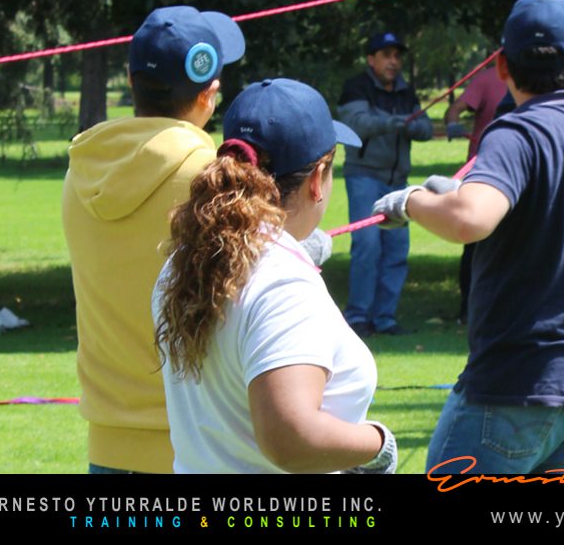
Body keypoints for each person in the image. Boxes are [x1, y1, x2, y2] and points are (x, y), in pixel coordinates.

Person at [374, 0, 564, 474]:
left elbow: (470, 219)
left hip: (517, 386)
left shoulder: (516, 132)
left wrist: (411, 202)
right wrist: (456, 192)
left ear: (501, 67)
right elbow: (550, 208)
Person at [152, 78, 397, 474]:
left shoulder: (186, 258)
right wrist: (379, 444)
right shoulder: (283, 282)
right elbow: (290, 438)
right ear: (317, 180)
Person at [62, 5, 245, 473]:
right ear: (211, 94)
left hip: (105, 448)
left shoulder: (80, 170)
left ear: (131, 79)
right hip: (195, 446)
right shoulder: (212, 179)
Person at [337, 32, 434, 337]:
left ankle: (385, 318)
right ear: (371, 59)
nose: (394, 62)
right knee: (367, 246)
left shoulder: (406, 90)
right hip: (363, 176)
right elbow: (357, 124)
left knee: (396, 250)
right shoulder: (356, 87)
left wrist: (413, 125)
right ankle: (358, 317)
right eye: (387, 55)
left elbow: (426, 127)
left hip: (397, 182)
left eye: (397, 55)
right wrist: (393, 123)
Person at [444, 63, 509, 326]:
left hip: (518, 174)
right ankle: (468, 310)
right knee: (474, 247)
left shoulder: (543, 79)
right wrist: (453, 124)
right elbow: (454, 109)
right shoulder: (487, 79)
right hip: (482, 173)